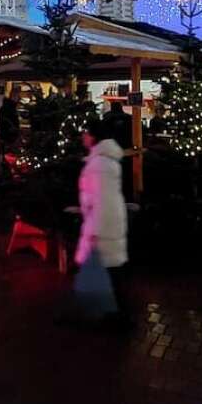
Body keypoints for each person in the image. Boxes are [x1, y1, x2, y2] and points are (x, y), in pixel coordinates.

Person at [76, 118, 129, 326]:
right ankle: (112, 314)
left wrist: (95, 231)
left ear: (93, 137)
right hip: (108, 225)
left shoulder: (98, 165)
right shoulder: (105, 162)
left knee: (106, 273)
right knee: (110, 273)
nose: (83, 136)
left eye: (86, 132)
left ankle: (112, 316)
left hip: (102, 229)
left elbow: (101, 200)